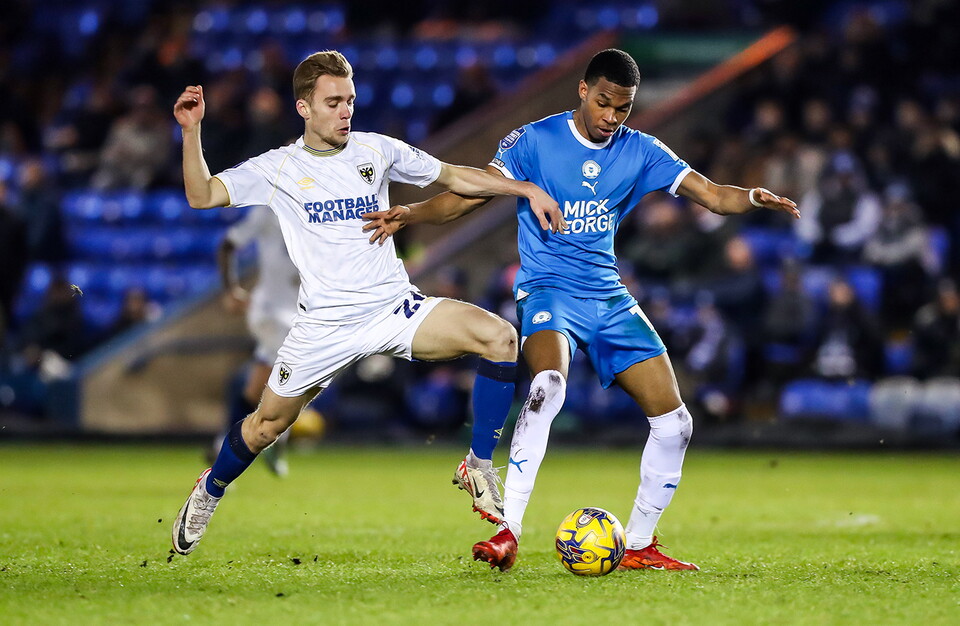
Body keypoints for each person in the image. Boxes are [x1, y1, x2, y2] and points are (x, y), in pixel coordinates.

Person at [364, 49, 799, 572]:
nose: (612, 118)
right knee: (548, 386)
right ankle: (509, 530)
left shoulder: (642, 150)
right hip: (548, 291)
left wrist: (751, 196)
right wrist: (412, 213)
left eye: (624, 108)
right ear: (583, 91)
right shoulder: (534, 141)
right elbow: (467, 197)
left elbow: (711, 195)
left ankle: (638, 544)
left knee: (676, 423)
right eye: (604, 103)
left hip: (609, 296)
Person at [170, 50, 565, 556]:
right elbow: (202, 195)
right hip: (324, 327)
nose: (345, 111)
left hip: (392, 309)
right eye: (333, 102)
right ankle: (211, 490)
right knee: (267, 425)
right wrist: (190, 131)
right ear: (303, 108)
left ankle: (479, 464)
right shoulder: (278, 168)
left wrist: (524, 188)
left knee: (500, 336)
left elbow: (454, 177)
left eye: (350, 101)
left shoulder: (376, 150)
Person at [215, 205, 301, 476]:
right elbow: (228, 244)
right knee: (294, 379)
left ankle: (225, 445)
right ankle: (273, 440)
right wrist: (230, 289)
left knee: (259, 387)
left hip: (298, 313)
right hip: (271, 313)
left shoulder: (321, 212)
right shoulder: (268, 212)